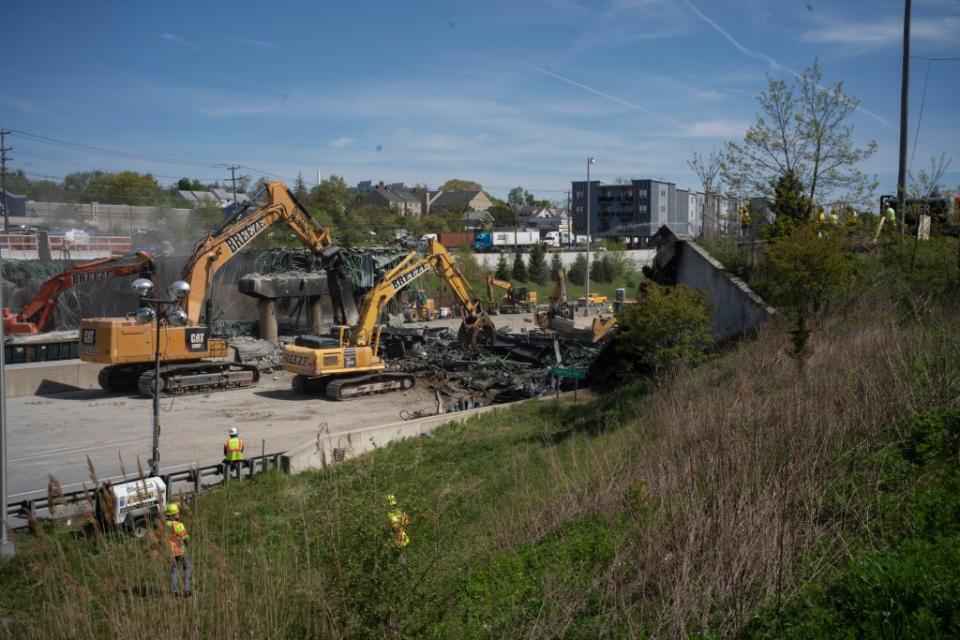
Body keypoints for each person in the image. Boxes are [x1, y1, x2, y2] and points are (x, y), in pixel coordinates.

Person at [165, 503, 192, 596]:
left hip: (169, 552)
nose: (178, 515)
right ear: (174, 515)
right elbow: (185, 538)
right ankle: (187, 589)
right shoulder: (179, 525)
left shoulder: (163, 525)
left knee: (173, 571)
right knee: (187, 568)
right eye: (177, 513)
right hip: (181, 551)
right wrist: (188, 545)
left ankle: (174, 591)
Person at [385, 494, 410, 559]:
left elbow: (402, 524)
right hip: (399, 540)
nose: (392, 507)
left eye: (393, 505)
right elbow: (406, 522)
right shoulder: (400, 512)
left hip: (397, 541)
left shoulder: (389, 515)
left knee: (399, 560)